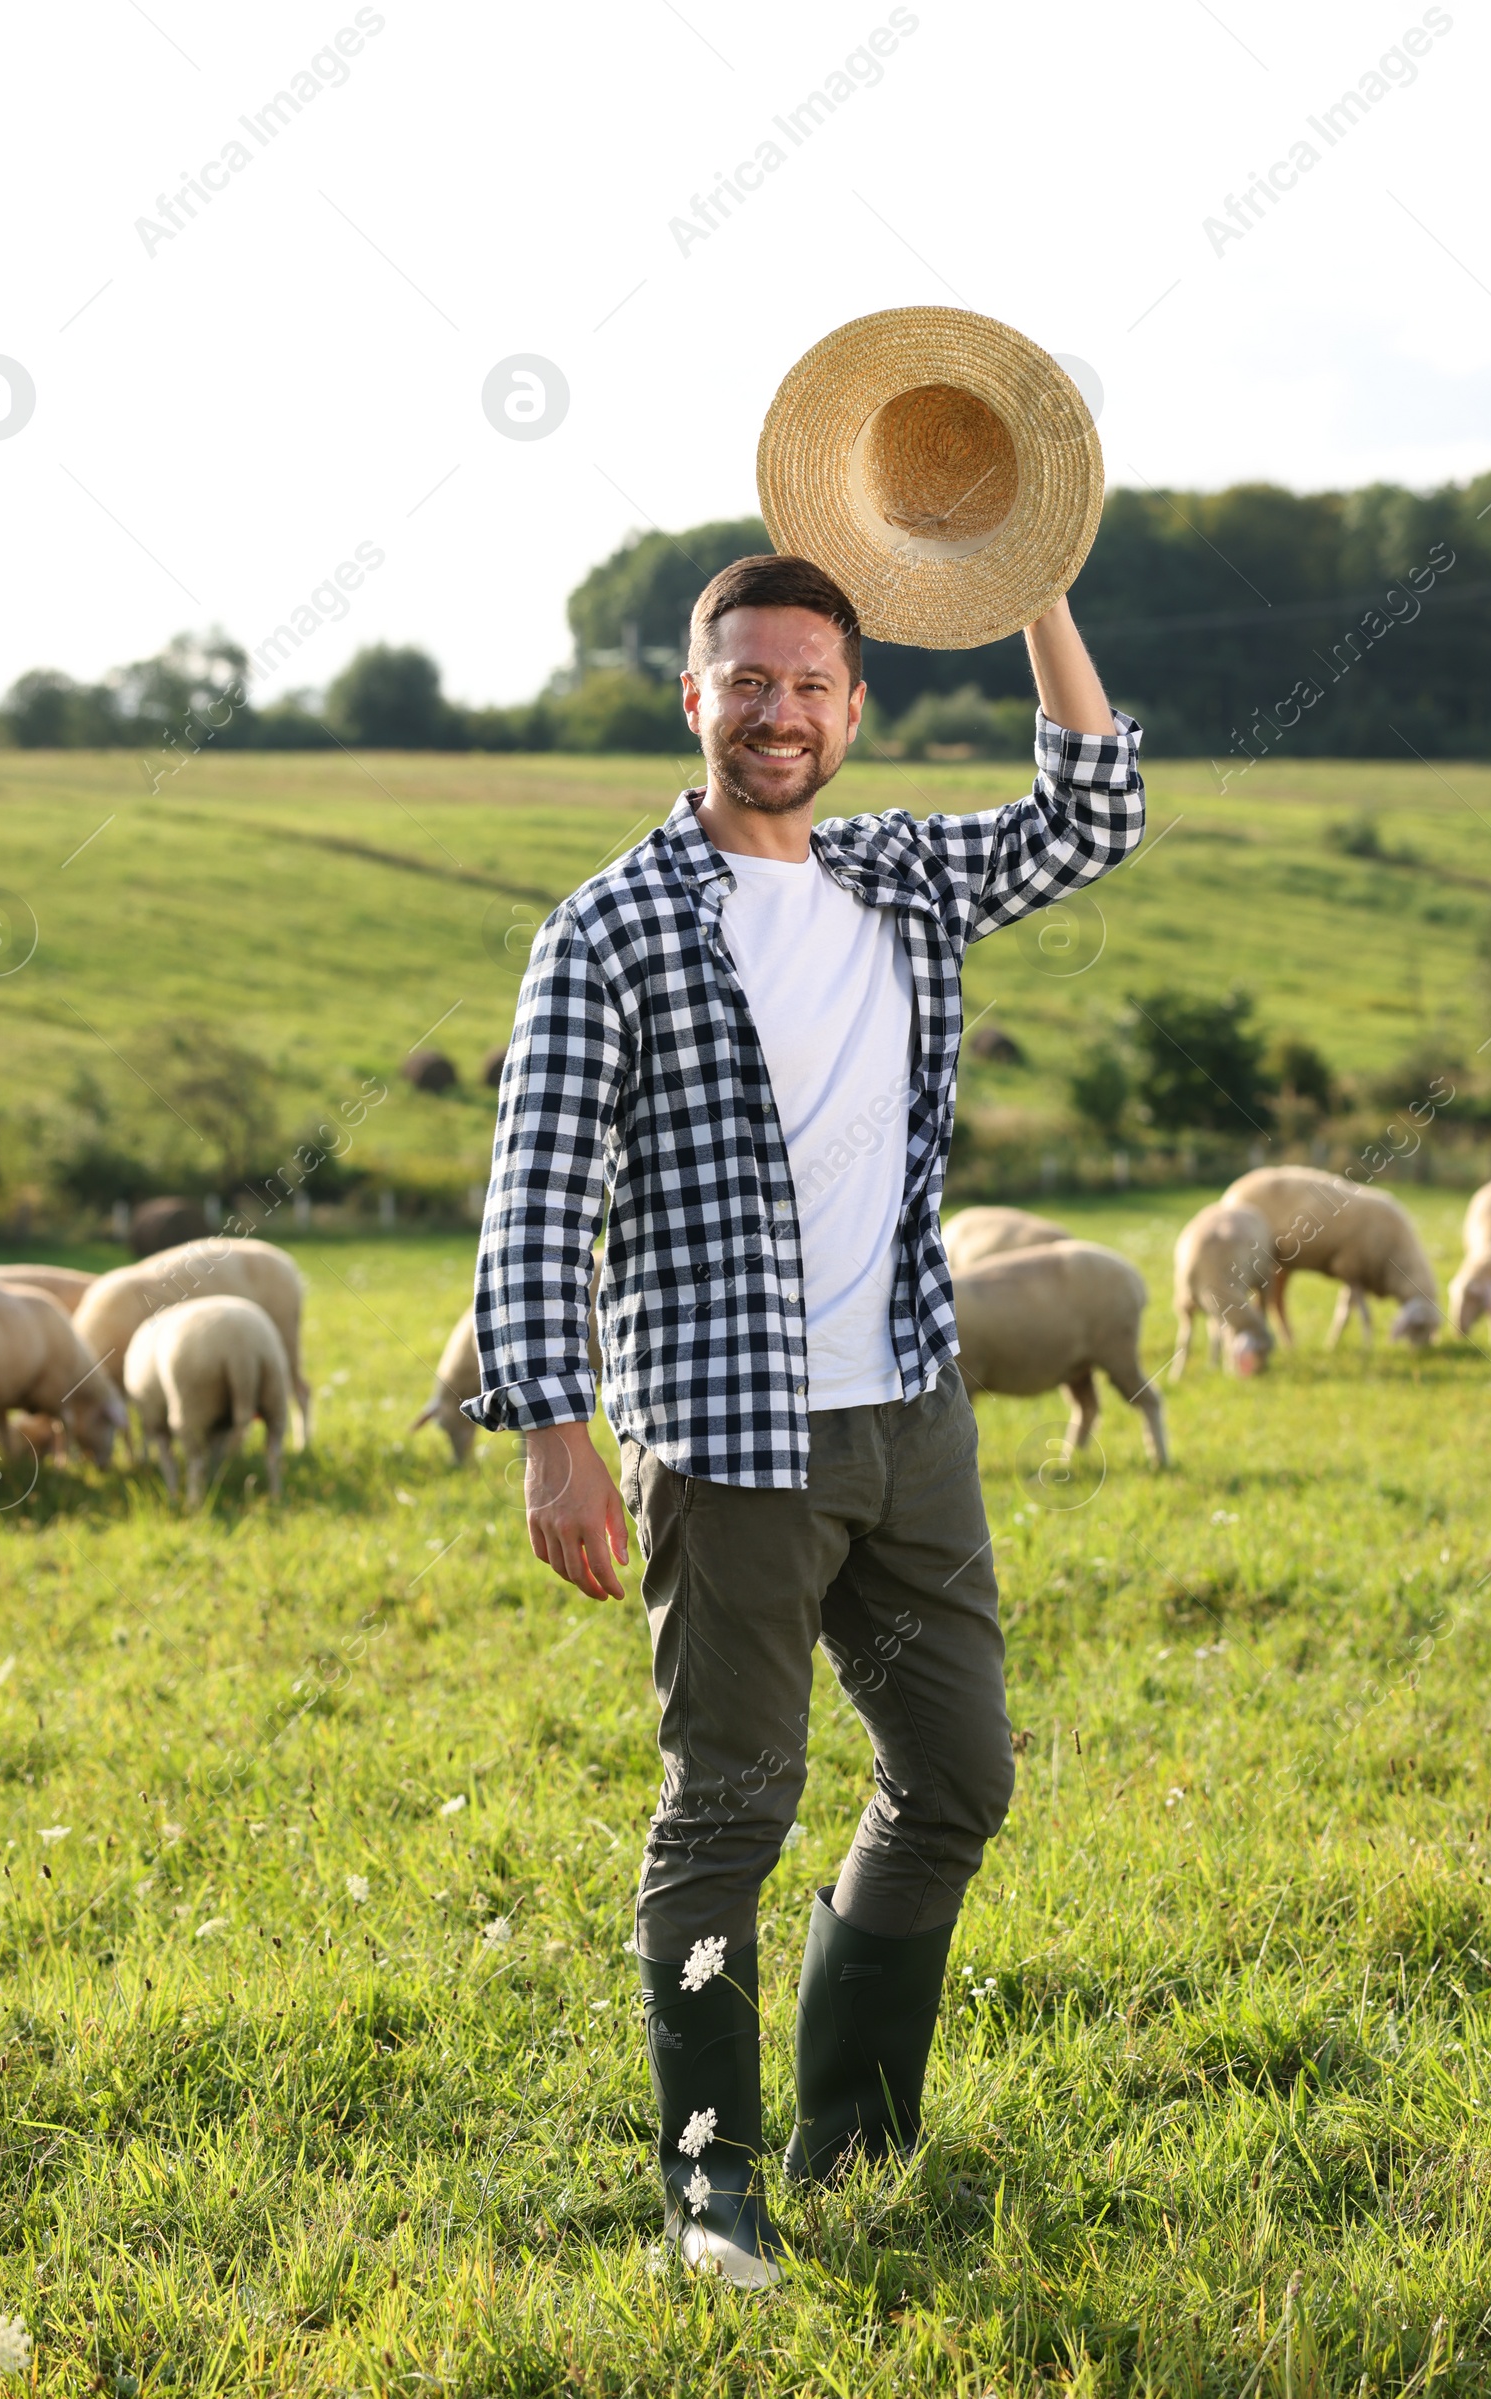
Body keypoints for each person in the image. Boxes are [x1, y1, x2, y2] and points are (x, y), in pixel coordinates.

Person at [466, 552, 1144, 2285]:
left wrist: (1038, 591)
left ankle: (852, 2129)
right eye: (747, 681)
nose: (780, 712)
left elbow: (1093, 814)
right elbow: (539, 1195)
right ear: (693, 698)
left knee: (959, 1775)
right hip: (727, 1431)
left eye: (812, 684)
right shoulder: (611, 926)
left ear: (857, 707)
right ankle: (710, 2185)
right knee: (728, 1811)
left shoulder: (901, 871)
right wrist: (553, 1433)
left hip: (912, 1412)